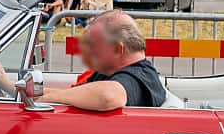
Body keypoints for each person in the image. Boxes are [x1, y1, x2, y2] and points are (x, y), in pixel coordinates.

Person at [26, 11, 165, 111]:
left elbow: (108, 96)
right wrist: (13, 87)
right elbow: (75, 93)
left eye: (93, 45)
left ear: (117, 49)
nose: (88, 51)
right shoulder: (110, 72)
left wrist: (48, 98)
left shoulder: (139, 79)